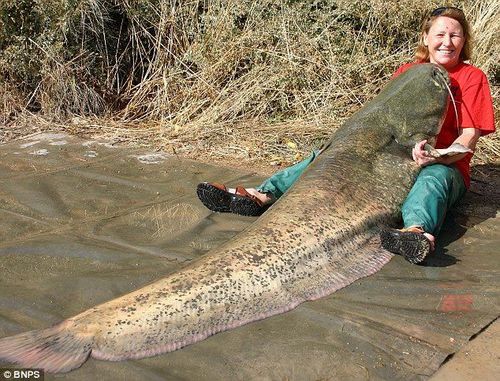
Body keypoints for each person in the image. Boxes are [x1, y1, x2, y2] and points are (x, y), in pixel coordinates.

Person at [196, 7, 495, 264]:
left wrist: (437, 156)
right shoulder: (407, 71)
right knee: (328, 157)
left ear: (464, 40)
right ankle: (263, 194)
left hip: (445, 164)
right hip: (395, 155)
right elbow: (379, 120)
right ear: (426, 38)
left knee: (433, 181)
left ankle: (416, 232)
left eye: (455, 35)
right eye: (440, 35)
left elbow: (468, 140)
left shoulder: (473, 78)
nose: (447, 42)